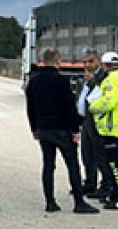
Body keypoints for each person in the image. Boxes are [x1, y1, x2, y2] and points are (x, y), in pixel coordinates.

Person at [26, 48, 98, 214]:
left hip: (44, 128)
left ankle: (50, 202)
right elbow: (69, 107)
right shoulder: (61, 81)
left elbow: (30, 107)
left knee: (48, 165)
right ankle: (79, 202)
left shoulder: (34, 81)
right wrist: (75, 129)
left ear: (43, 61)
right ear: (58, 61)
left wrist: (34, 128)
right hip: (62, 129)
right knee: (72, 165)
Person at [89, 51, 118, 209]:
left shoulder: (112, 80)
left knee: (115, 167)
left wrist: (93, 107)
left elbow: (108, 102)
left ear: (107, 66)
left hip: (112, 130)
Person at [76, 49, 105, 197]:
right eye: (85, 62)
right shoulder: (83, 78)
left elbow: (100, 95)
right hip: (86, 120)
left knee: (99, 155)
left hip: (97, 121)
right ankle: (89, 183)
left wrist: (92, 81)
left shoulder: (102, 76)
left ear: (98, 61)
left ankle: (105, 185)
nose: (87, 64)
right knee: (87, 154)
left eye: (91, 61)